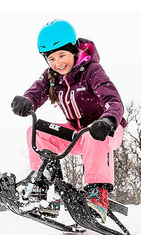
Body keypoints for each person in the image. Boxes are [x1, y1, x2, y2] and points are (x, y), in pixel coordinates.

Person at [10, 19, 126, 222]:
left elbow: (114, 101)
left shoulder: (91, 71)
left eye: (62, 55)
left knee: (92, 134)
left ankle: (97, 194)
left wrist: (108, 120)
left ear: (74, 51)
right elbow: (36, 92)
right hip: (76, 133)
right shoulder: (52, 75)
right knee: (35, 132)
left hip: (105, 130)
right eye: (52, 59)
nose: (58, 63)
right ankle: (46, 189)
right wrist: (27, 100)